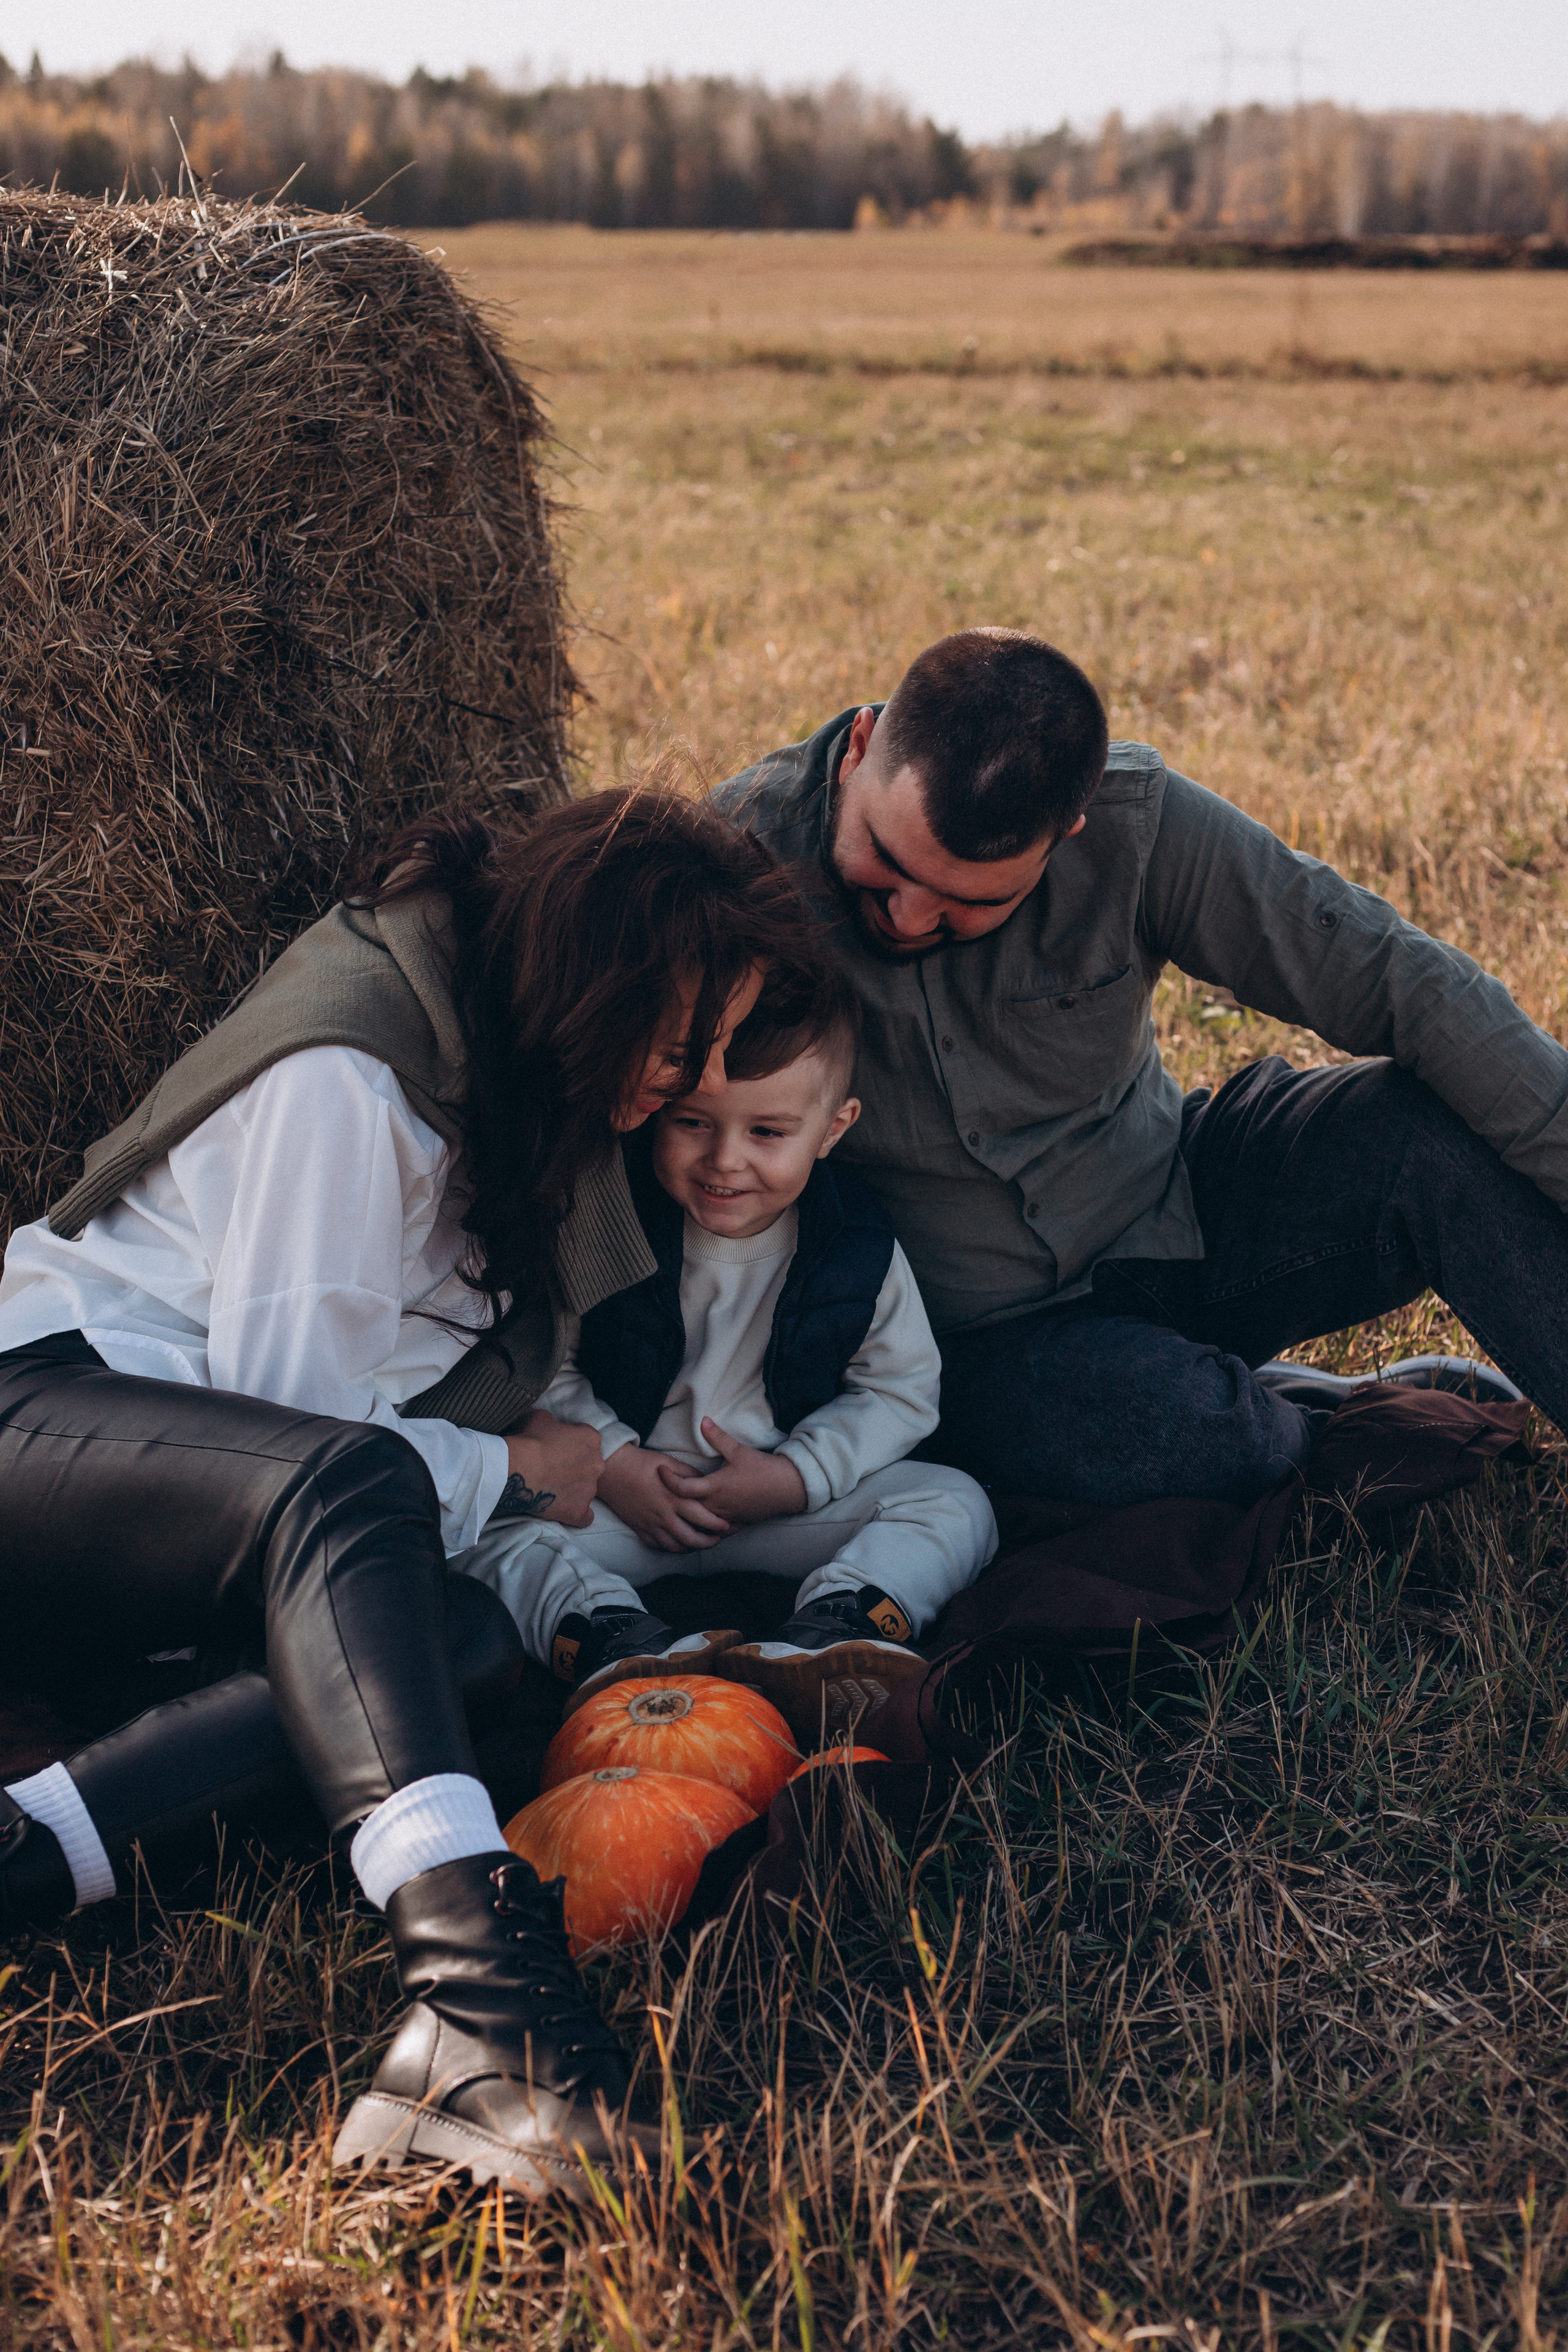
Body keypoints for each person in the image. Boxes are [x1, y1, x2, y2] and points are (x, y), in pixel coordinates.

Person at [0, 787, 840, 2201]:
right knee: (356, 1515)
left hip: (173, 1534)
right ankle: (483, 2003)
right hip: (46, 1420)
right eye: (682, 1039)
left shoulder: (516, 1080)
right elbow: (296, 1437)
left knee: (458, 1651)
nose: (692, 1079)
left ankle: (26, 1859)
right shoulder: (354, 1081)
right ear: (599, 990)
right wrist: (510, 1466)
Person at [711, 627, 1564, 1510]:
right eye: (886, 864)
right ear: (859, 747)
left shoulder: (1138, 825)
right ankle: (1315, 1423)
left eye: (975, 902)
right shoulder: (732, 863)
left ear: (1066, 835)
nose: (912, 917)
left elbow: (1402, 984)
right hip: (967, 1347)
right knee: (1180, 1432)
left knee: (1435, 1131)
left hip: (1174, 1214)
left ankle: (1273, 1406)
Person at [459, 973, 998, 1746]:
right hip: (627, 1505)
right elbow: (547, 1366)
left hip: (780, 1504)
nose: (724, 1161)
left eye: (767, 1133)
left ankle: (834, 1628)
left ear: (833, 1128)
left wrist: (796, 1477)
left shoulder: (855, 1248)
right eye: (693, 1123)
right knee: (483, 1528)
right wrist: (616, 1465)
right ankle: (613, 1638)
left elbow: (900, 1390)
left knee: (954, 1502)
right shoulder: (611, 1224)